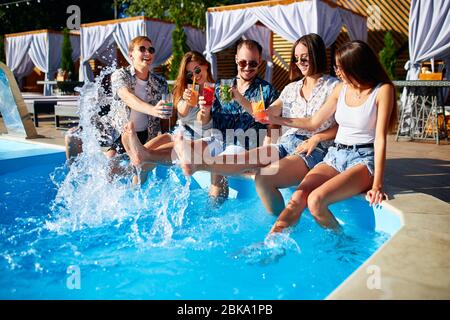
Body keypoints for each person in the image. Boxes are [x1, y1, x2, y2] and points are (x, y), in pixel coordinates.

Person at [174, 34, 339, 217]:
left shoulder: (333, 87)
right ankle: (193, 163)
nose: (300, 62)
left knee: (252, 168)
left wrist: (311, 134)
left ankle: (199, 168)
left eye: (304, 57)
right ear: (236, 60)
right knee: (230, 154)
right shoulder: (290, 88)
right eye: (296, 58)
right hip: (276, 143)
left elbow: (311, 123)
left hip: (308, 148)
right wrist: (215, 106)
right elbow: (265, 114)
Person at [266, 40, 397, 234]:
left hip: (362, 159)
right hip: (335, 155)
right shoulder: (341, 89)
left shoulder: (382, 90)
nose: (337, 72)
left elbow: (380, 139)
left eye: (341, 67)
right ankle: (272, 240)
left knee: (316, 201)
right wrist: (276, 118)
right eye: (336, 67)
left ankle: (342, 245)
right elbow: (313, 122)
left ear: (356, 66)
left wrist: (377, 184)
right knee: (298, 197)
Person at [120, 51, 216, 169]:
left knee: (148, 156)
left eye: (197, 70)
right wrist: (187, 101)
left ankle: (140, 157)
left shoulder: (215, 90)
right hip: (179, 131)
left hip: (196, 136)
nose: (195, 76)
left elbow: (208, 120)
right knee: (143, 151)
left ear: (205, 65)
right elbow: (181, 111)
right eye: (189, 74)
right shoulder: (185, 90)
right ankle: (135, 167)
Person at [107, 35, 169, 158]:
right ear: (131, 55)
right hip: (122, 134)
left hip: (148, 137)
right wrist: (153, 110)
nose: (147, 53)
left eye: (151, 50)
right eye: (142, 49)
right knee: (109, 163)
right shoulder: (120, 75)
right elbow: (126, 96)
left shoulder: (161, 82)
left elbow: (166, 115)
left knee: (141, 169)